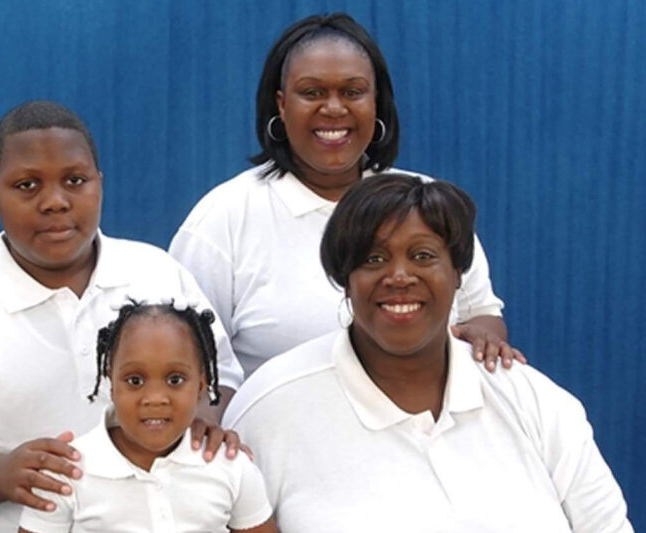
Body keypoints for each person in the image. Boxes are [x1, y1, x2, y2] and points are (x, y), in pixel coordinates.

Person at [0, 101, 245, 533]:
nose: (55, 202)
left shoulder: (158, 274)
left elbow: (220, 377)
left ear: (100, 185)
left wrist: (204, 424)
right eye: (27, 185)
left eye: (75, 181)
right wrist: (3, 473)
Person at [223, 174, 632, 532]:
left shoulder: (536, 403)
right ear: (345, 280)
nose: (399, 276)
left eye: (423, 256)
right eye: (374, 259)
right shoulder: (270, 410)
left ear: (458, 274)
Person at [169, 13, 523, 377]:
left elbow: (481, 312)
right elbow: (187, 361)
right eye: (312, 92)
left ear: (376, 102)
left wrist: (485, 338)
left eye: (352, 92)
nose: (334, 108)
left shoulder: (424, 202)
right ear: (281, 103)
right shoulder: (224, 217)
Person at [19, 299, 277, 533]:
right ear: (112, 382)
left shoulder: (230, 465)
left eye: (175, 380)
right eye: (135, 380)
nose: (155, 398)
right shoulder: (66, 470)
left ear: (201, 385)